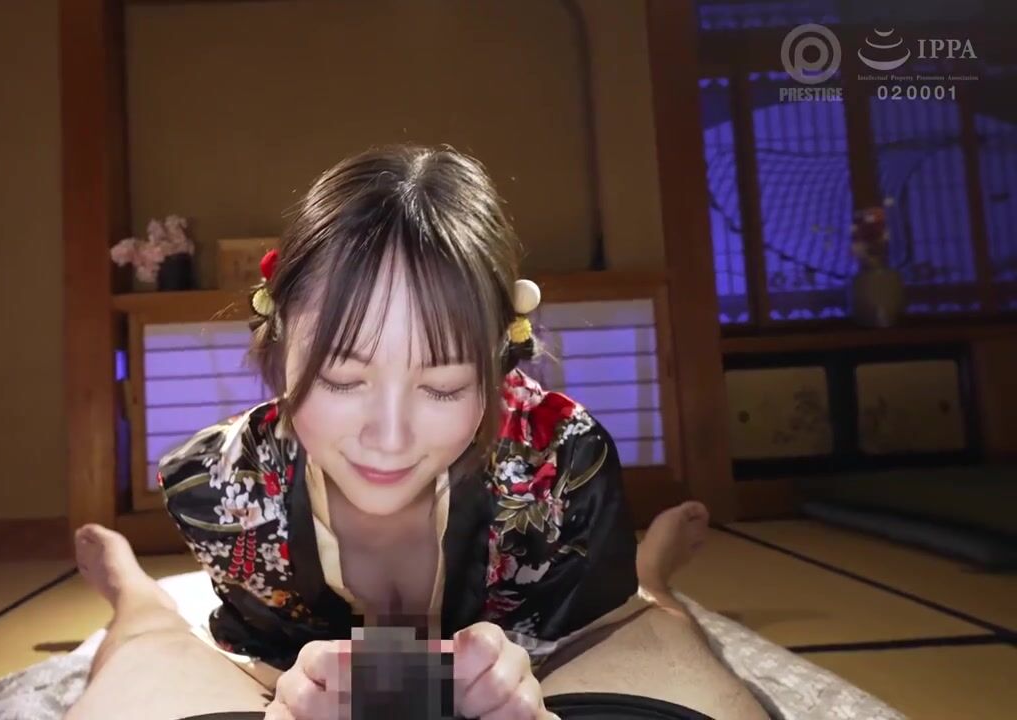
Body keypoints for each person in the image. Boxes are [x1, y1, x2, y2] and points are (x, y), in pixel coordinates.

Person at [65, 145, 769, 720]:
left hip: (541, 628)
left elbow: (596, 630)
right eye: (343, 380)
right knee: (152, 639)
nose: (390, 437)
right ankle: (137, 597)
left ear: (497, 366)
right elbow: (255, 654)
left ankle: (653, 573)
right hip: (288, 641)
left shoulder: (558, 465)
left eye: (443, 387)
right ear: (280, 350)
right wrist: (283, 692)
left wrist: (530, 691)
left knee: (646, 620)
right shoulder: (223, 487)